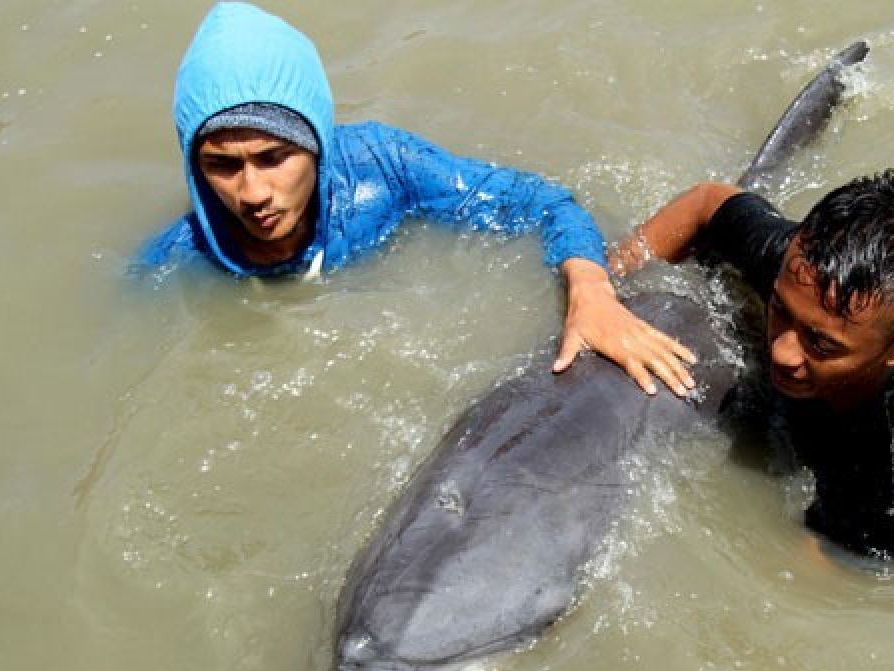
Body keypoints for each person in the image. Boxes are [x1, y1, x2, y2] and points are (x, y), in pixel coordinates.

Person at [139, 2, 694, 396]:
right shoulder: (181, 260)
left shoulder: (389, 169)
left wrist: (592, 293)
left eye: (274, 158)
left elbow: (544, 203)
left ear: (318, 143)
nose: (253, 193)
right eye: (222, 165)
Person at [611, 171, 894, 559]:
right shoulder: (806, 279)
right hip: (862, 343)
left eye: (820, 342)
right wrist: (605, 295)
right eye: (780, 310)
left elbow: (814, 577)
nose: (783, 352)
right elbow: (706, 201)